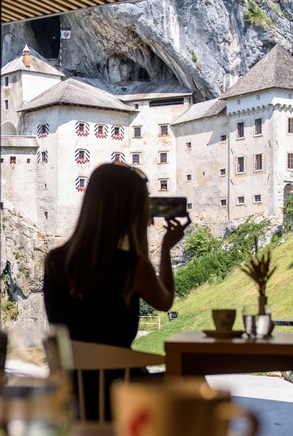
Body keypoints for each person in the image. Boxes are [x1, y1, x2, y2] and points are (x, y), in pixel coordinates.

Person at [43, 162, 189, 419]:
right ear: (130, 210)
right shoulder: (133, 266)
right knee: (195, 384)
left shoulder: (55, 260)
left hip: (70, 392)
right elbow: (165, 301)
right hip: (120, 392)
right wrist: (166, 248)